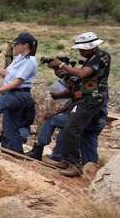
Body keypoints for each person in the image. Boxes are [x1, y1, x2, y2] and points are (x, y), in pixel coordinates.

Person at [44, 32, 111, 177]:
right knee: (75, 130)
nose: (80, 52)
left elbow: (81, 74)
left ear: (91, 47)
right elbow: (80, 83)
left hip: (92, 100)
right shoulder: (91, 59)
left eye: (82, 49)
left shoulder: (102, 56)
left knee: (72, 129)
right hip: (85, 99)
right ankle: (67, 160)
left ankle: (74, 164)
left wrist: (61, 64)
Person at [0, 32, 38, 154]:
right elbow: (5, 73)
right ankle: (16, 153)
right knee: (10, 129)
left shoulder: (30, 60)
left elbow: (17, 82)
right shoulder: (19, 58)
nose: (14, 46)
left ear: (25, 45)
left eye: (16, 44)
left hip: (18, 94)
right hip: (13, 94)